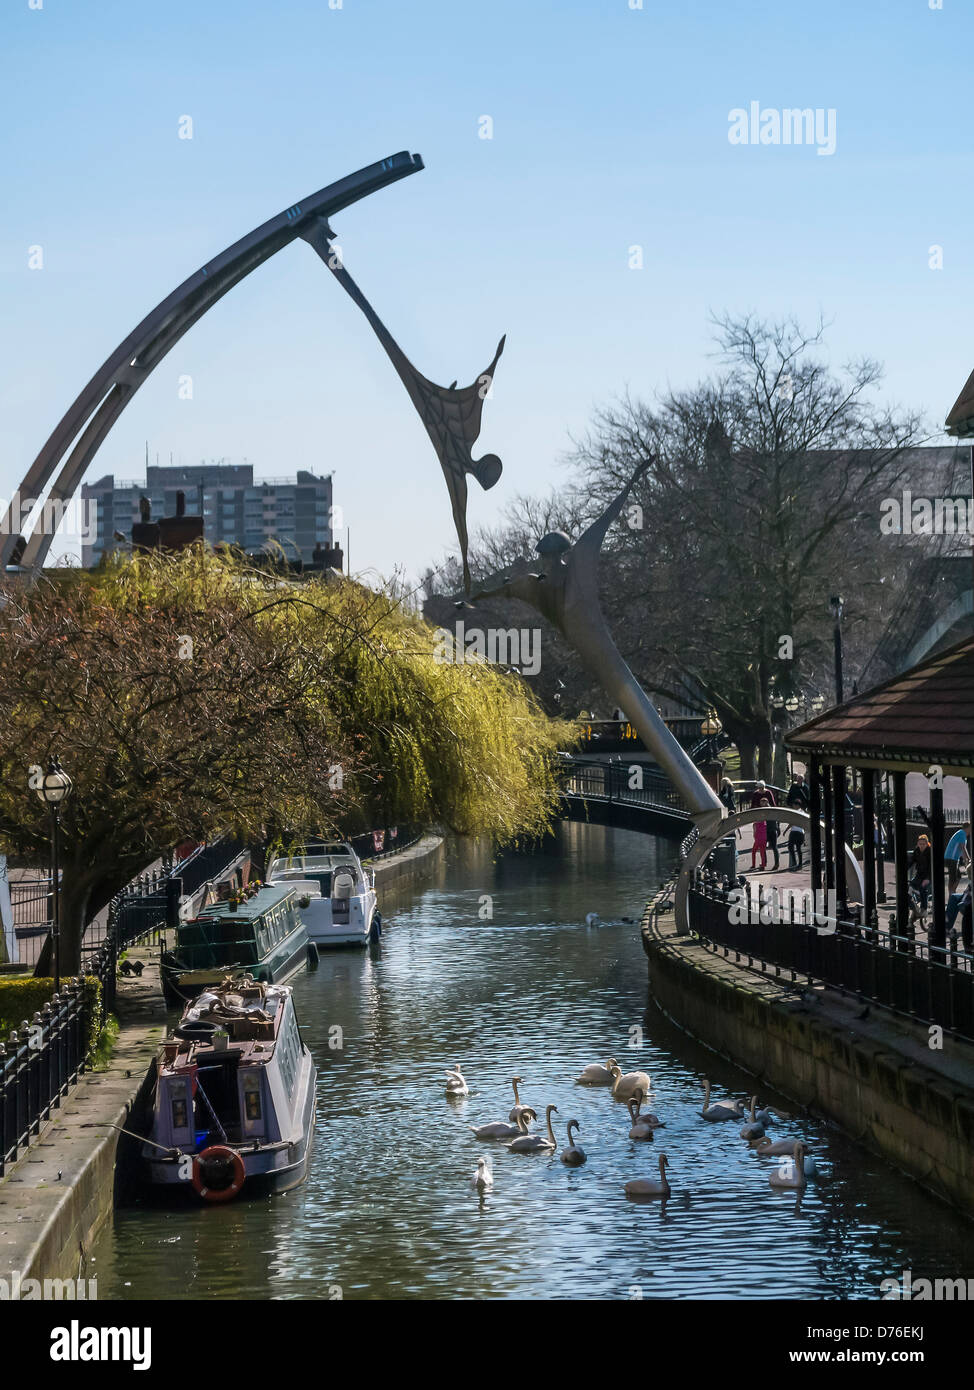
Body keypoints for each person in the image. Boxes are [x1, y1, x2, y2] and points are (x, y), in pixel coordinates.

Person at [944, 823, 971, 894]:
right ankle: (951, 895)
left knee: (958, 877)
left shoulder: (962, 834)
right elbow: (962, 848)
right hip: (951, 858)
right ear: (968, 827)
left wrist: (966, 861)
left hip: (953, 858)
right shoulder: (962, 833)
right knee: (953, 878)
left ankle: (952, 892)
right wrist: (969, 859)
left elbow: (961, 851)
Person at [909, 834, 932, 916]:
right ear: (917, 844)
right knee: (909, 886)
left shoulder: (930, 852)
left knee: (923, 888)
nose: (921, 846)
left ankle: (924, 909)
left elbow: (931, 867)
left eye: (923, 844)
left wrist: (928, 878)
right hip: (919, 874)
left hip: (928, 876)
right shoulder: (917, 851)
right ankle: (913, 907)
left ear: (927, 844)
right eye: (920, 844)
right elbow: (911, 862)